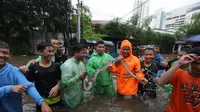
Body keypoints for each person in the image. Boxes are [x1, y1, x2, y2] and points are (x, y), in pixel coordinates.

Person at [0, 41, 52, 112]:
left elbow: (28, 86)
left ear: (10, 55)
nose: (1, 55)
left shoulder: (14, 71)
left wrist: (42, 103)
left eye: (5, 53)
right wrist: (9, 88)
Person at [157, 47, 200, 112]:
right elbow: (160, 82)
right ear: (190, 62)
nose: (199, 67)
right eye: (196, 63)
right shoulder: (179, 74)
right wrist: (180, 62)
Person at [22, 42, 61, 112]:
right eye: (49, 51)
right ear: (40, 52)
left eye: (53, 51)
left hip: (57, 100)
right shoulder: (33, 67)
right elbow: (27, 83)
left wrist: (57, 86)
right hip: (42, 101)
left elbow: (61, 79)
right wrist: (23, 71)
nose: (52, 54)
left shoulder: (57, 66)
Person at [60, 44, 87, 108]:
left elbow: (82, 80)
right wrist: (78, 77)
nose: (85, 55)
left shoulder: (81, 64)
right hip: (69, 99)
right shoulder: (67, 65)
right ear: (76, 53)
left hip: (79, 96)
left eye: (86, 53)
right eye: (83, 53)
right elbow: (64, 84)